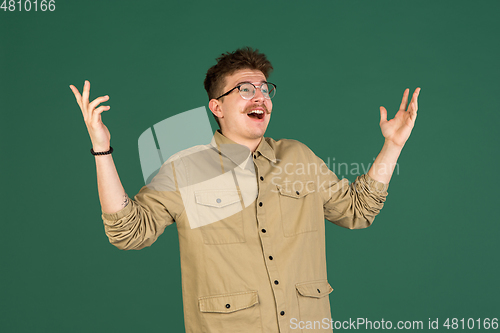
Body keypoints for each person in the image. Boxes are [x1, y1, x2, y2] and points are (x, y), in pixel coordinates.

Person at [70, 47, 420, 333]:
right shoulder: (185, 168)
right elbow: (128, 232)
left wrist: (392, 146)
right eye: (245, 89)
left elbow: (357, 211)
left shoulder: (299, 157)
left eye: (265, 89)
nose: (260, 96)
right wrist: (102, 149)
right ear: (217, 107)